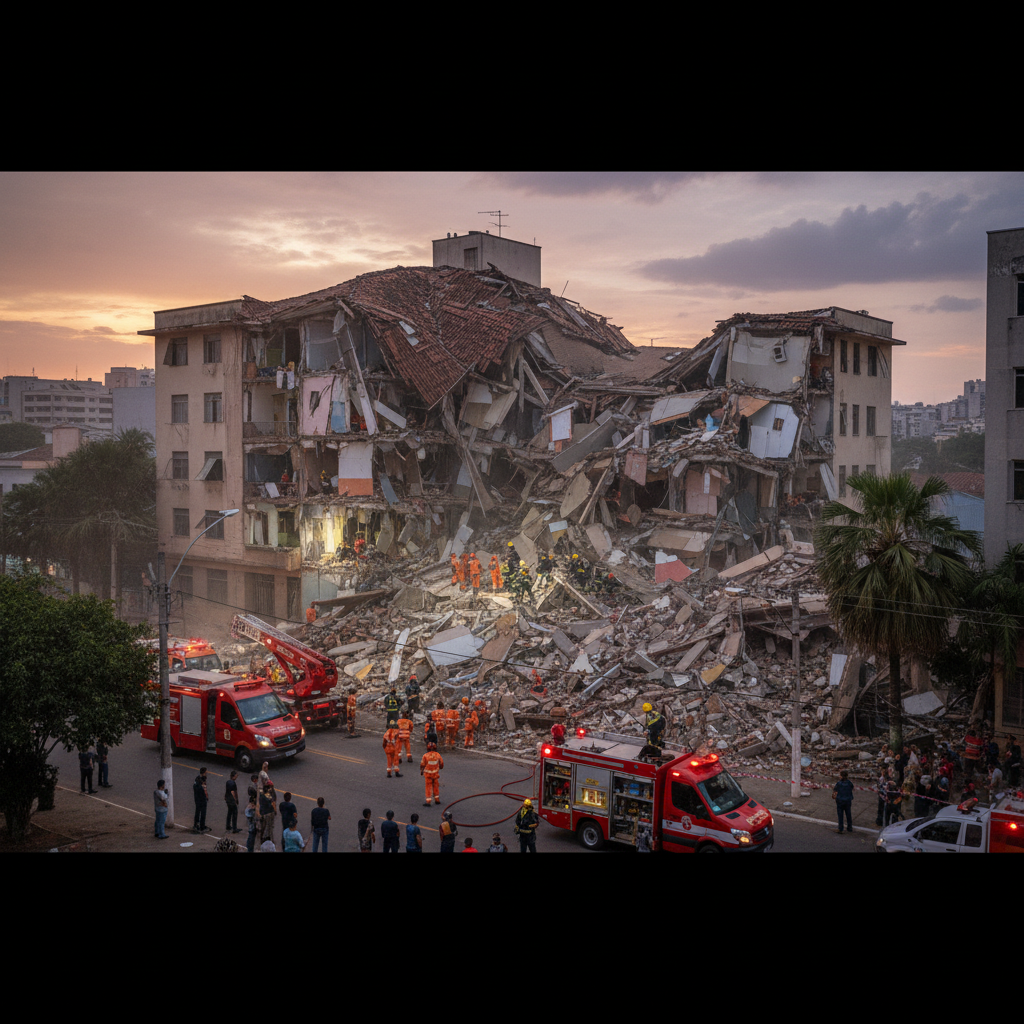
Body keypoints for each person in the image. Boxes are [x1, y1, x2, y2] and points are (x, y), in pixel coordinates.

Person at [420, 741, 444, 806]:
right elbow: (441, 763)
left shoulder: (425, 755)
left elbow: (422, 764)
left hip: (428, 775)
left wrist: (421, 771)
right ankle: (437, 799)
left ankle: (428, 801)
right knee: (436, 786)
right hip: (435, 774)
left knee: (428, 787)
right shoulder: (438, 755)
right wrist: (440, 767)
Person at [832, 770, 854, 834]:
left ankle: (840, 828)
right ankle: (849, 827)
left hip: (840, 800)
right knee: (848, 814)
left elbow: (835, 790)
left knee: (840, 815)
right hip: (848, 800)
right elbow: (852, 788)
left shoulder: (839, 783)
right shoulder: (849, 783)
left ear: (841, 776)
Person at [193, 766, 210, 833]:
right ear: (203, 773)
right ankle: (201, 826)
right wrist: (205, 797)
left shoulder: (199, 779)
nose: (206, 774)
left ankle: (197, 824)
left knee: (198, 812)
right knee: (202, 813)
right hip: (200, 799)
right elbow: (201, 790)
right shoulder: (199, 781)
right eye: (206, 773)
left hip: (199, 799)